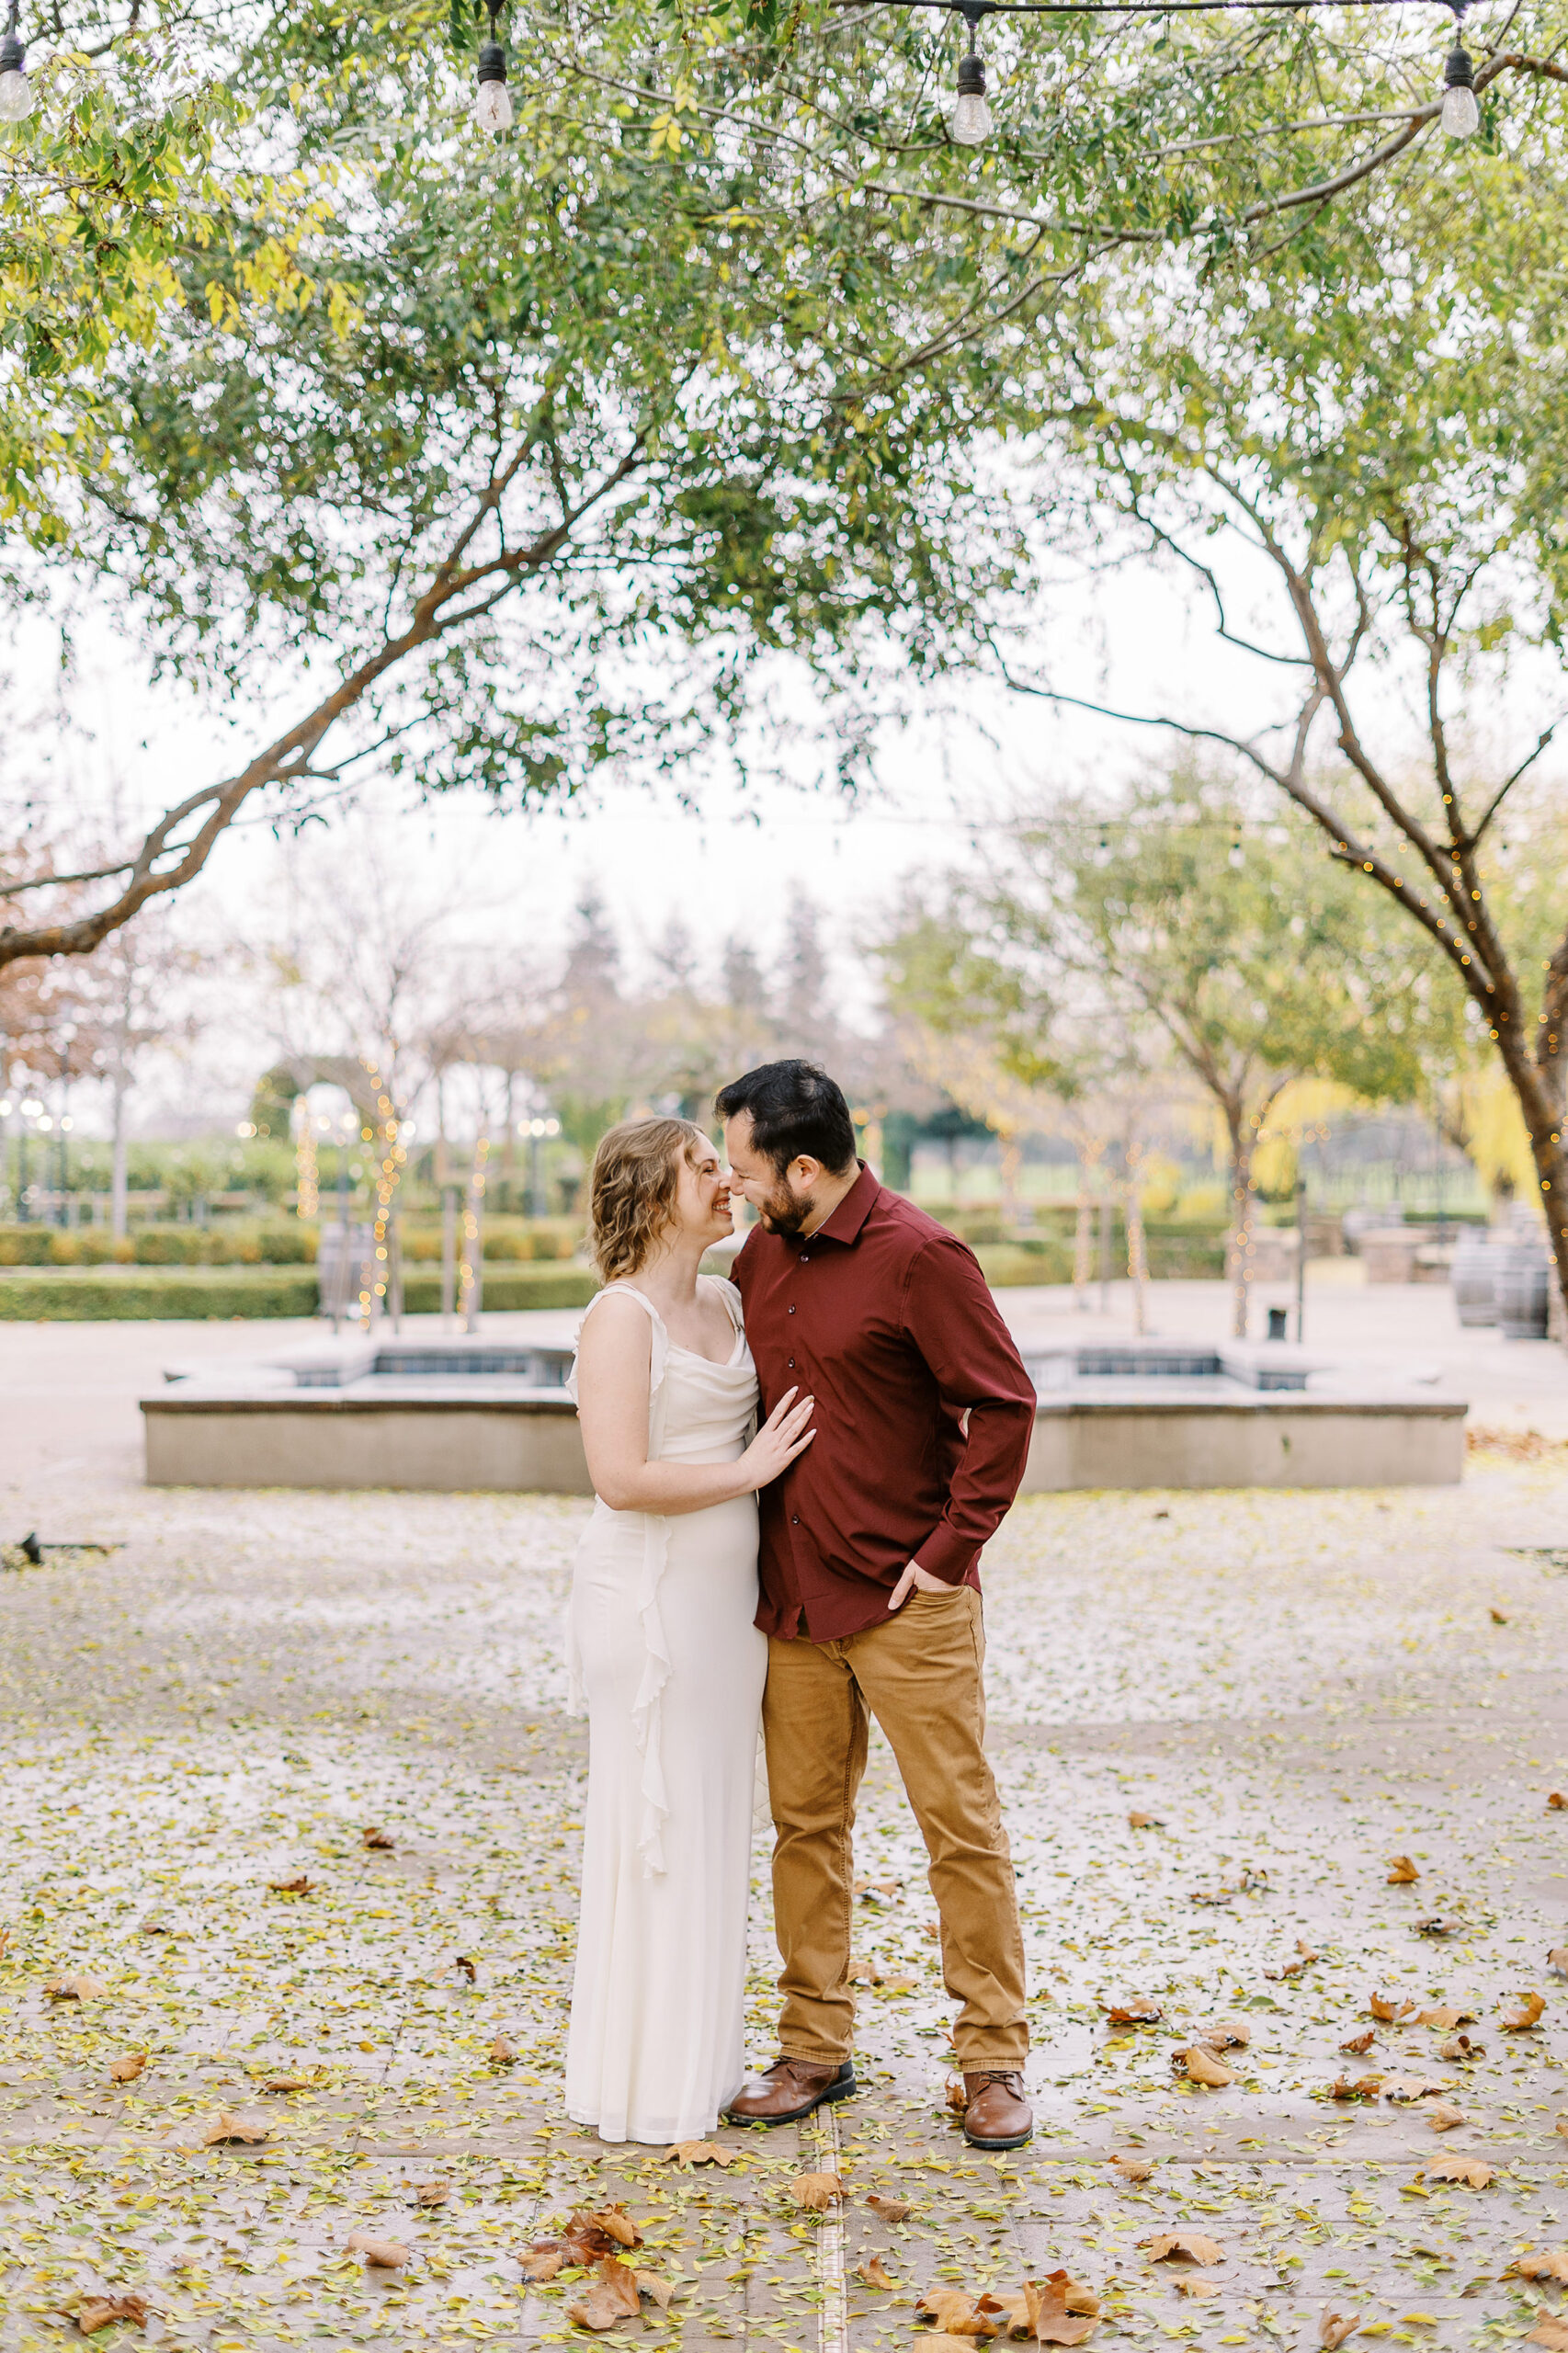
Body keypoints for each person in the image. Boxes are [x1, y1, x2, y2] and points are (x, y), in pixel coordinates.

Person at [717, 1061, 1039, 2150]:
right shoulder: (761, 1254)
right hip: (793, 1604)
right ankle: (814, 2046)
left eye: (744, 1165)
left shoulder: (921, 1256)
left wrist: (948, 1556)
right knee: (805, 1828)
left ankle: (991, 2060)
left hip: (908, 1601)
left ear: (801, 1167)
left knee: (958, 1827)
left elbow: (1002, 1406)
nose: (735, 1185)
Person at [563, 1116, 816, 2144]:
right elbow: (618, 1477)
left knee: (711, 1820)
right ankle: (637, 2080)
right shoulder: (617, 1319)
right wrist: (750, 1473)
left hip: (728, 1615)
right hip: (648, 1607)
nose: (727, 1177)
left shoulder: (726, 1296)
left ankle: (699, 2064)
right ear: (649, 1192)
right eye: (702, 1166)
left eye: (725, 1162)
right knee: (652, 1828)